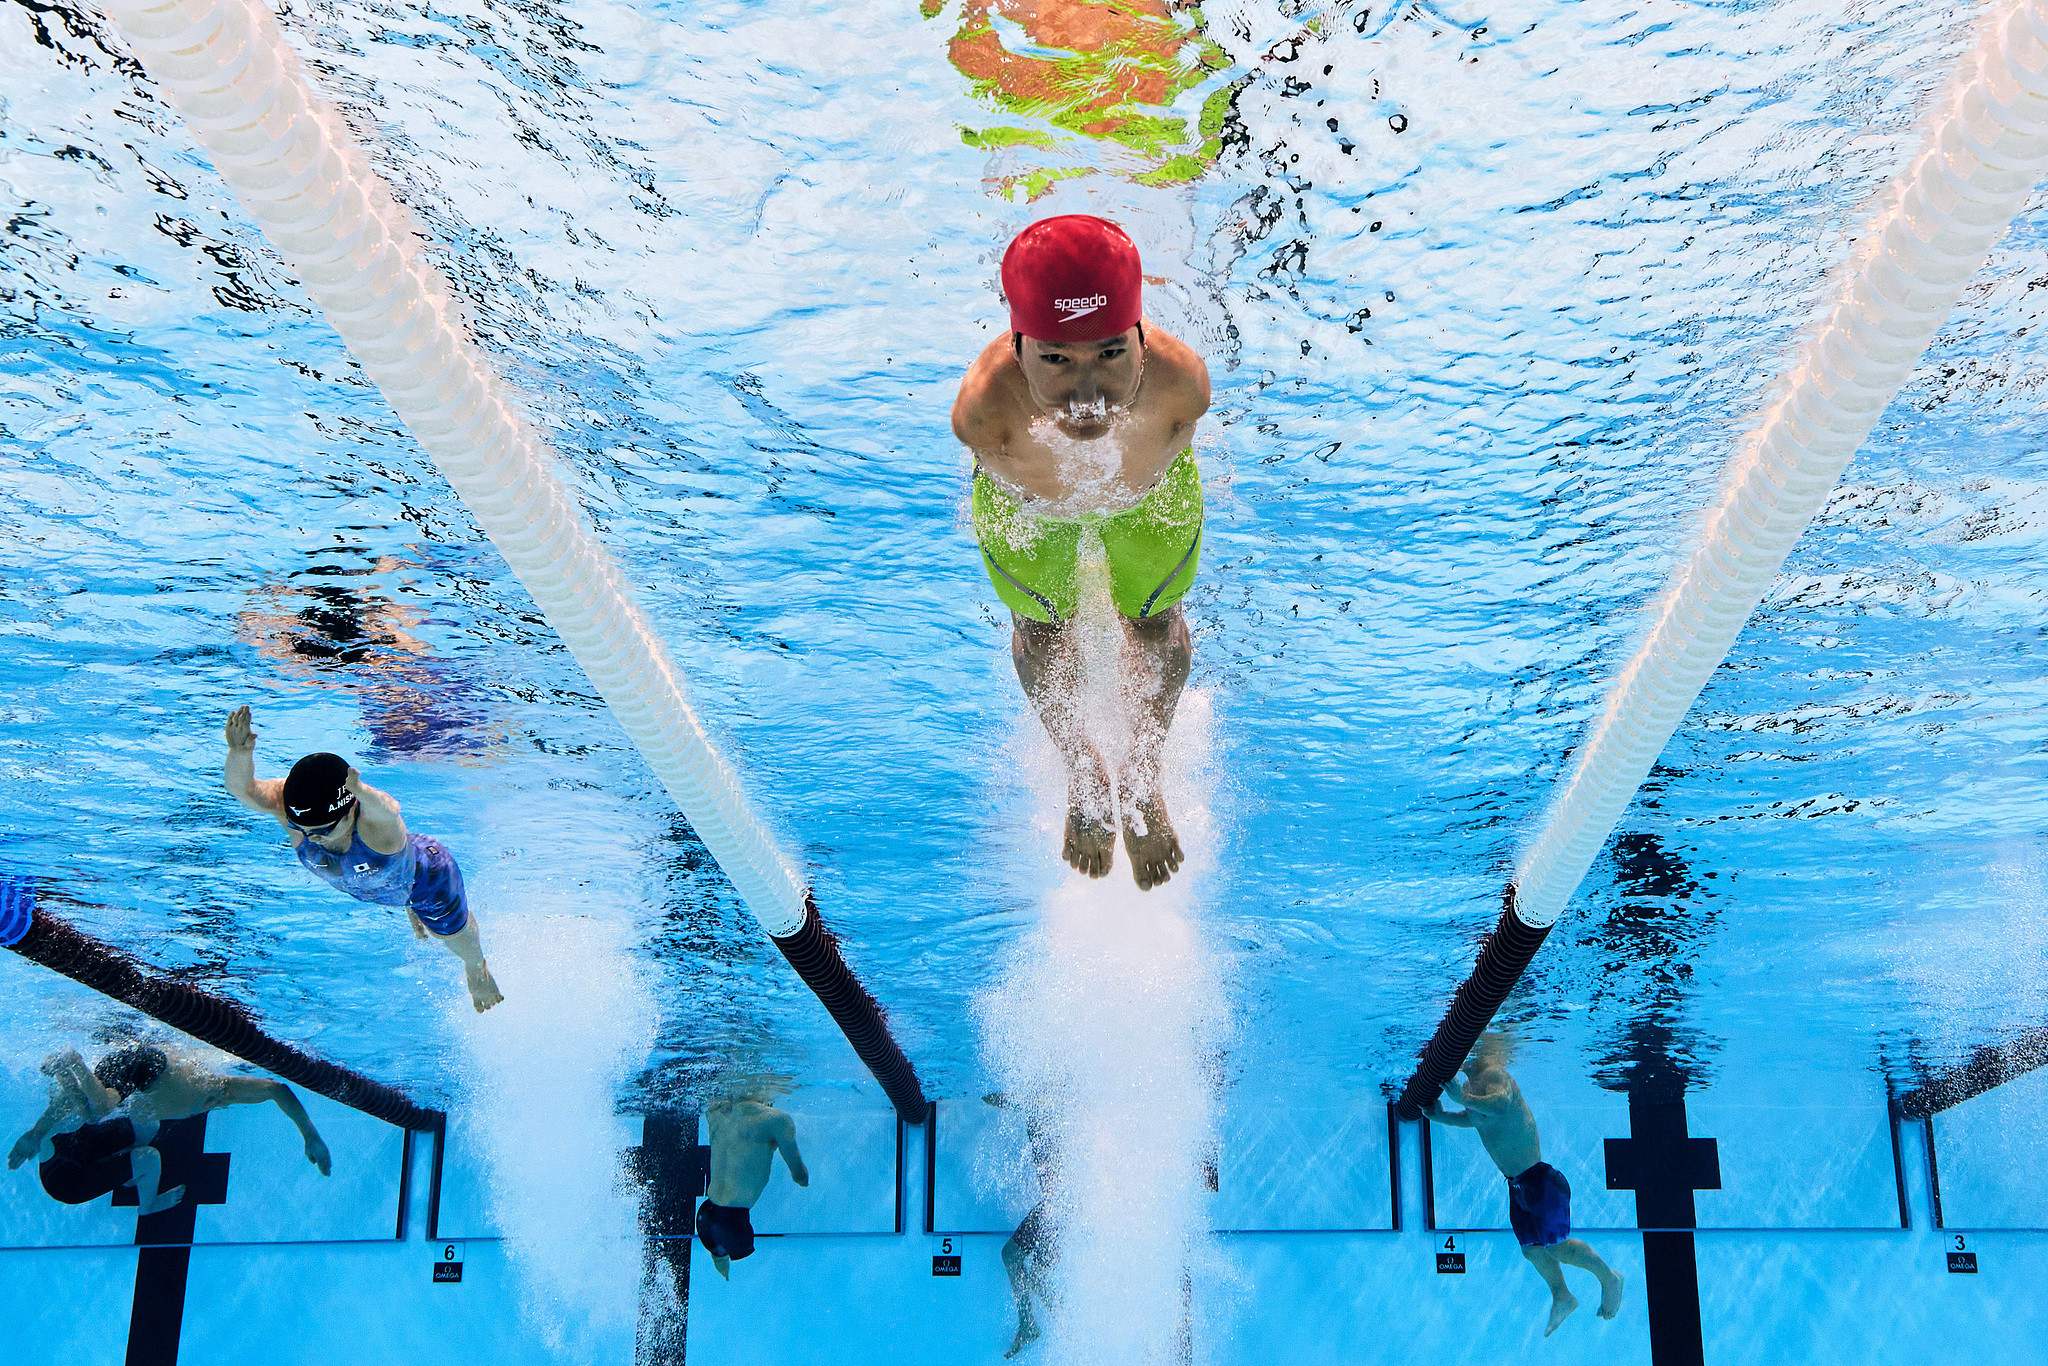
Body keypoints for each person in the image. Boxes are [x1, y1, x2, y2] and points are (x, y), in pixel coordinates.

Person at [951, 215, 1211, 890]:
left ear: (1137, 339)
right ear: (1018, 345)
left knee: (1157, 624)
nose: (1087, 392)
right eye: (1058, 361)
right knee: (1041, 632)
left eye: (1109, 356)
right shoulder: (983, 412)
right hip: (1030, 509)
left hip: (1147, 499)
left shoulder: (1184, 386)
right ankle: (1084, 774)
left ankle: (1141, 779)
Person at [222, 704, 503, 1011]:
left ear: (350, 811)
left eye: (322, 829)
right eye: (300, 828)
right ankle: (408, 905)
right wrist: (238, 754)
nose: (311, 837)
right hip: (386, 881)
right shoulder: (289, 808)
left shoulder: (375, 829)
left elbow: (391, 808)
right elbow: (244, 790)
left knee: (453, 937)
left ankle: (477, 968)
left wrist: (361, 790)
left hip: (426, 879)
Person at [1424, 1035, 1625, 1336]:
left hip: (1541, 1182)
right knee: (1531, 1250)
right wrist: (1441, 1116)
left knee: (1556, 1247)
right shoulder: (1472, 1088)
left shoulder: (1494, 1074)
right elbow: (1476, 1119)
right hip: (1517, 1186)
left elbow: (1502, 1104)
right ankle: (1562, 1296)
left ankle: (1609, 1277)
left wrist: (1461, 1098)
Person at [13, 1042, 331, 1213]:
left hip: (132, 1074)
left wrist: (311, 1136)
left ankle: (67, 1065)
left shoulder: (194, 1082)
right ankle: (148, 1206)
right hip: (65, 1180)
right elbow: (274, 1090)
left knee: (103, 1110)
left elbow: (277, 1090)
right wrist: (310, 1136)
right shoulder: (214, 1088)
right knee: (105, 1120)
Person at [696, 1095, 808, 1280]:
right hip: (721, 1223)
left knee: (722, 1252)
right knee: (724, 1257)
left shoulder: (717, 1111)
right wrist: (803, 1179)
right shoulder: (776, 1121)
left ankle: (722, 1263)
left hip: (710, 1215)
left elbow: (800, 1174)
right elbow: (799, 1176)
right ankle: (723, 1269)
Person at [983, 1092, 1060, 1359]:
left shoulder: (1049, 1102)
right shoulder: (1039, 1101)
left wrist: (1005, 1098)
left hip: (1061, 1207)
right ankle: (1057, 1322)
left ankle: (1034, 1325)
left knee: (1012, 1257)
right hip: (1059, 1206)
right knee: (1032, 1273)